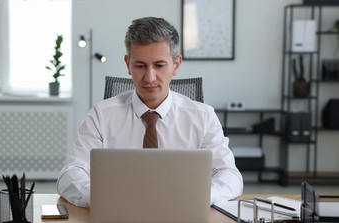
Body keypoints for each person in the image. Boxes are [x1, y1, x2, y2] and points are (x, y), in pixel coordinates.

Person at [57, 17, 243, 208]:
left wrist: (202, 196)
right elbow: (70, 173)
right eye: (140, 66)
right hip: (118, 216)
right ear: (128, 64)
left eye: (159, 65)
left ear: (176, 65)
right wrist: (101, 198)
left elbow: (230, 174)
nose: (149, 77)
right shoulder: (101, 115)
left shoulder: (203, 117)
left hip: (183, 215)